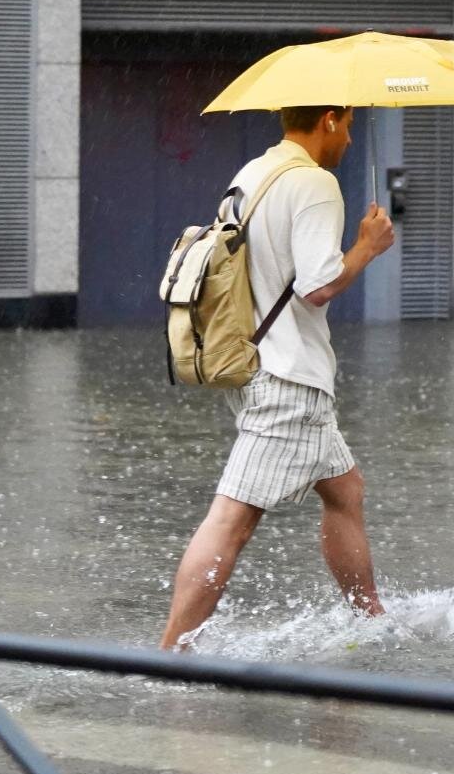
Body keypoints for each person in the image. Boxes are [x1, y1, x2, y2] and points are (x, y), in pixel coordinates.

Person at [159, 105, 396, 651]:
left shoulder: (254, 172)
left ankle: (371, 619)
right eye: (349, 125)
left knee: (345, 490)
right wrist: (367, 246)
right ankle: (171, 653)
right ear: (330, 118)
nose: (351, 139)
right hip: (290, 381)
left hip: (257, 365)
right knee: (231, 520)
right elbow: (318, 286)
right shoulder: (314, 183)